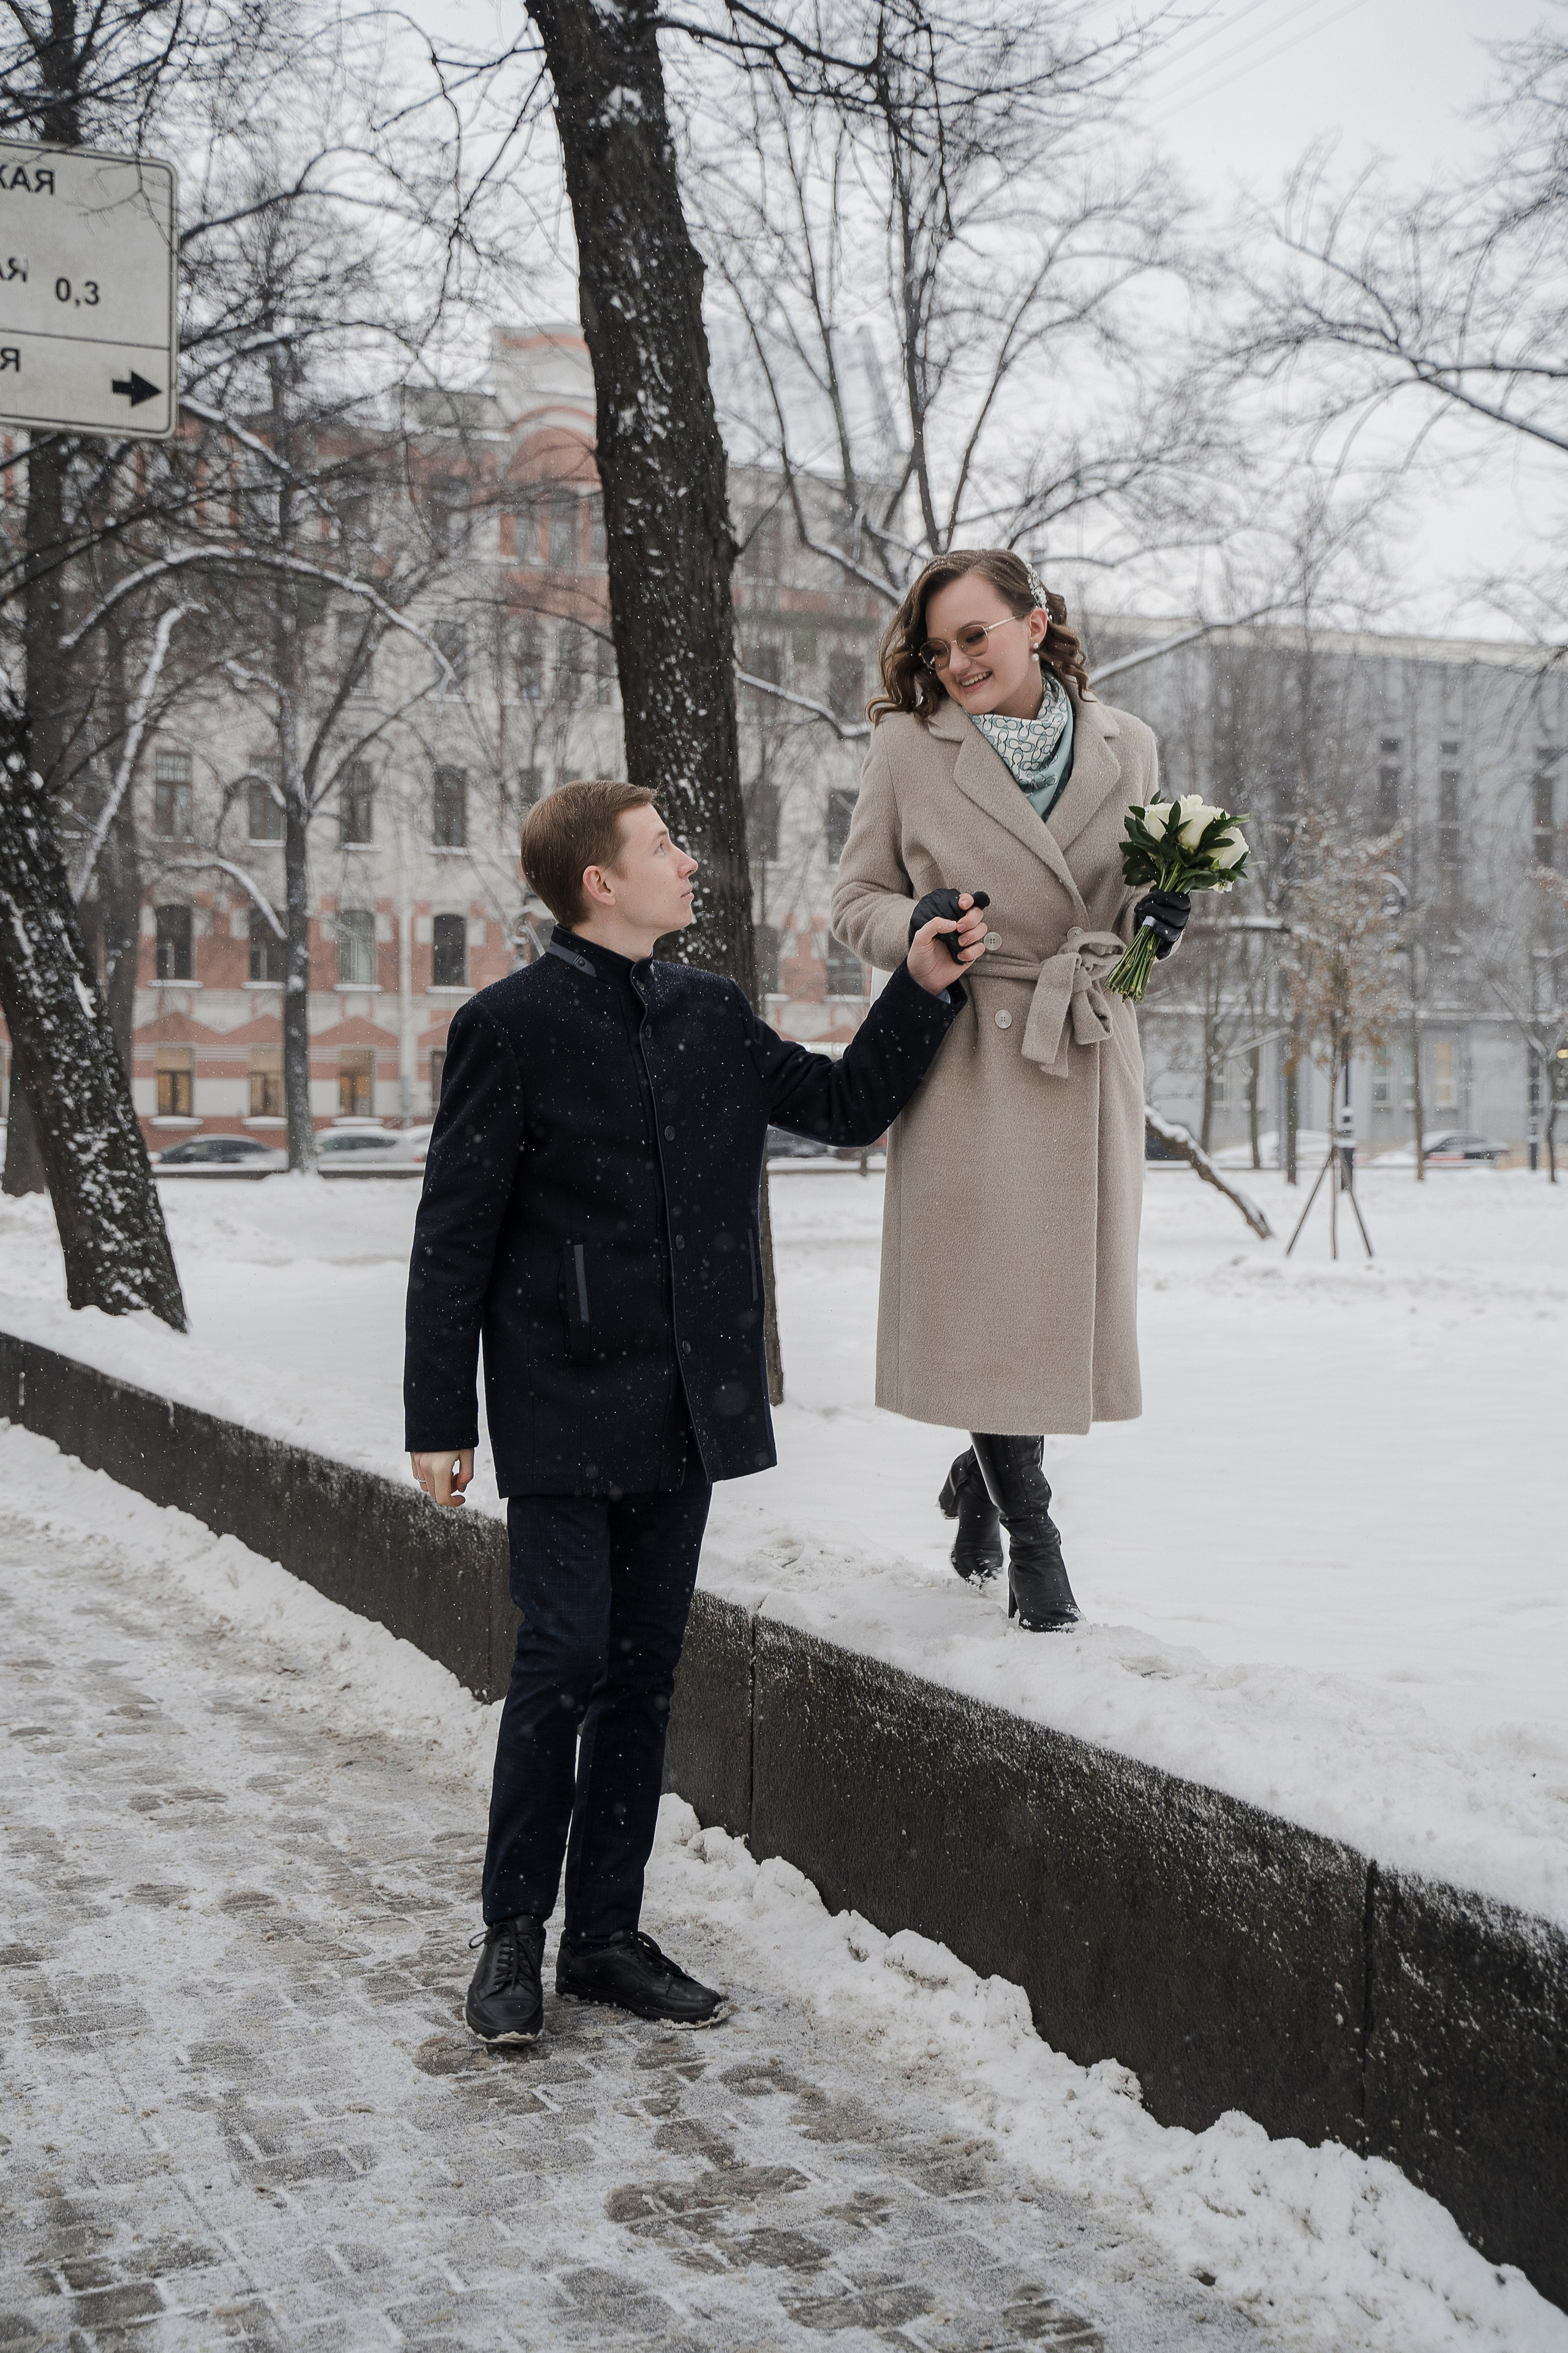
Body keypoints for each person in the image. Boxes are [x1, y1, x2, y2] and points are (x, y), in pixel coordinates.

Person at [405, 779, 984, 2044]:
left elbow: (839, 1110)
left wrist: (922, 986)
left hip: (683, 1400)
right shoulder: (507, 1025)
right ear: (597, 883)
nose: (686, 861)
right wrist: (438, 1416)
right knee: (560, 1660)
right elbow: (453, 1238)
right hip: (559, 1397)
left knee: (641, 1674)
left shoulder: (708, 1010)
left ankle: (604, 1936)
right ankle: (513, 1929)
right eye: (663, 846)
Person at [829, 550, 1189, 1632]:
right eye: (939, 646)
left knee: (1039, 1306)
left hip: (1081, 1040)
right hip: (970, 1050)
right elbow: (854, 897)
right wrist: (917, 928)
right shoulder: (907, 742)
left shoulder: (1131, 745)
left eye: (976, 635)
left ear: (1038, 623)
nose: (956, 662)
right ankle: (1035, 1534)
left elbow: (1128, 927)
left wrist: (1158, 933)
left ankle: (977, 1480)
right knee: (993, 1300)